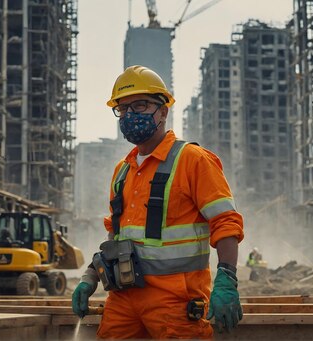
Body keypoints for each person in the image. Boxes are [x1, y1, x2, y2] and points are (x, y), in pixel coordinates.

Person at [72, 65, 244, 339]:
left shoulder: (193, 160)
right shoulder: (123, 170)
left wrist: (227, 277)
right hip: (124, 300)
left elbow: (225, 221)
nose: (130, 115)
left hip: (176, 302)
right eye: (123, 108)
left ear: (163, 111)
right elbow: (116, 235)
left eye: (140, 105)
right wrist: (90, 277)